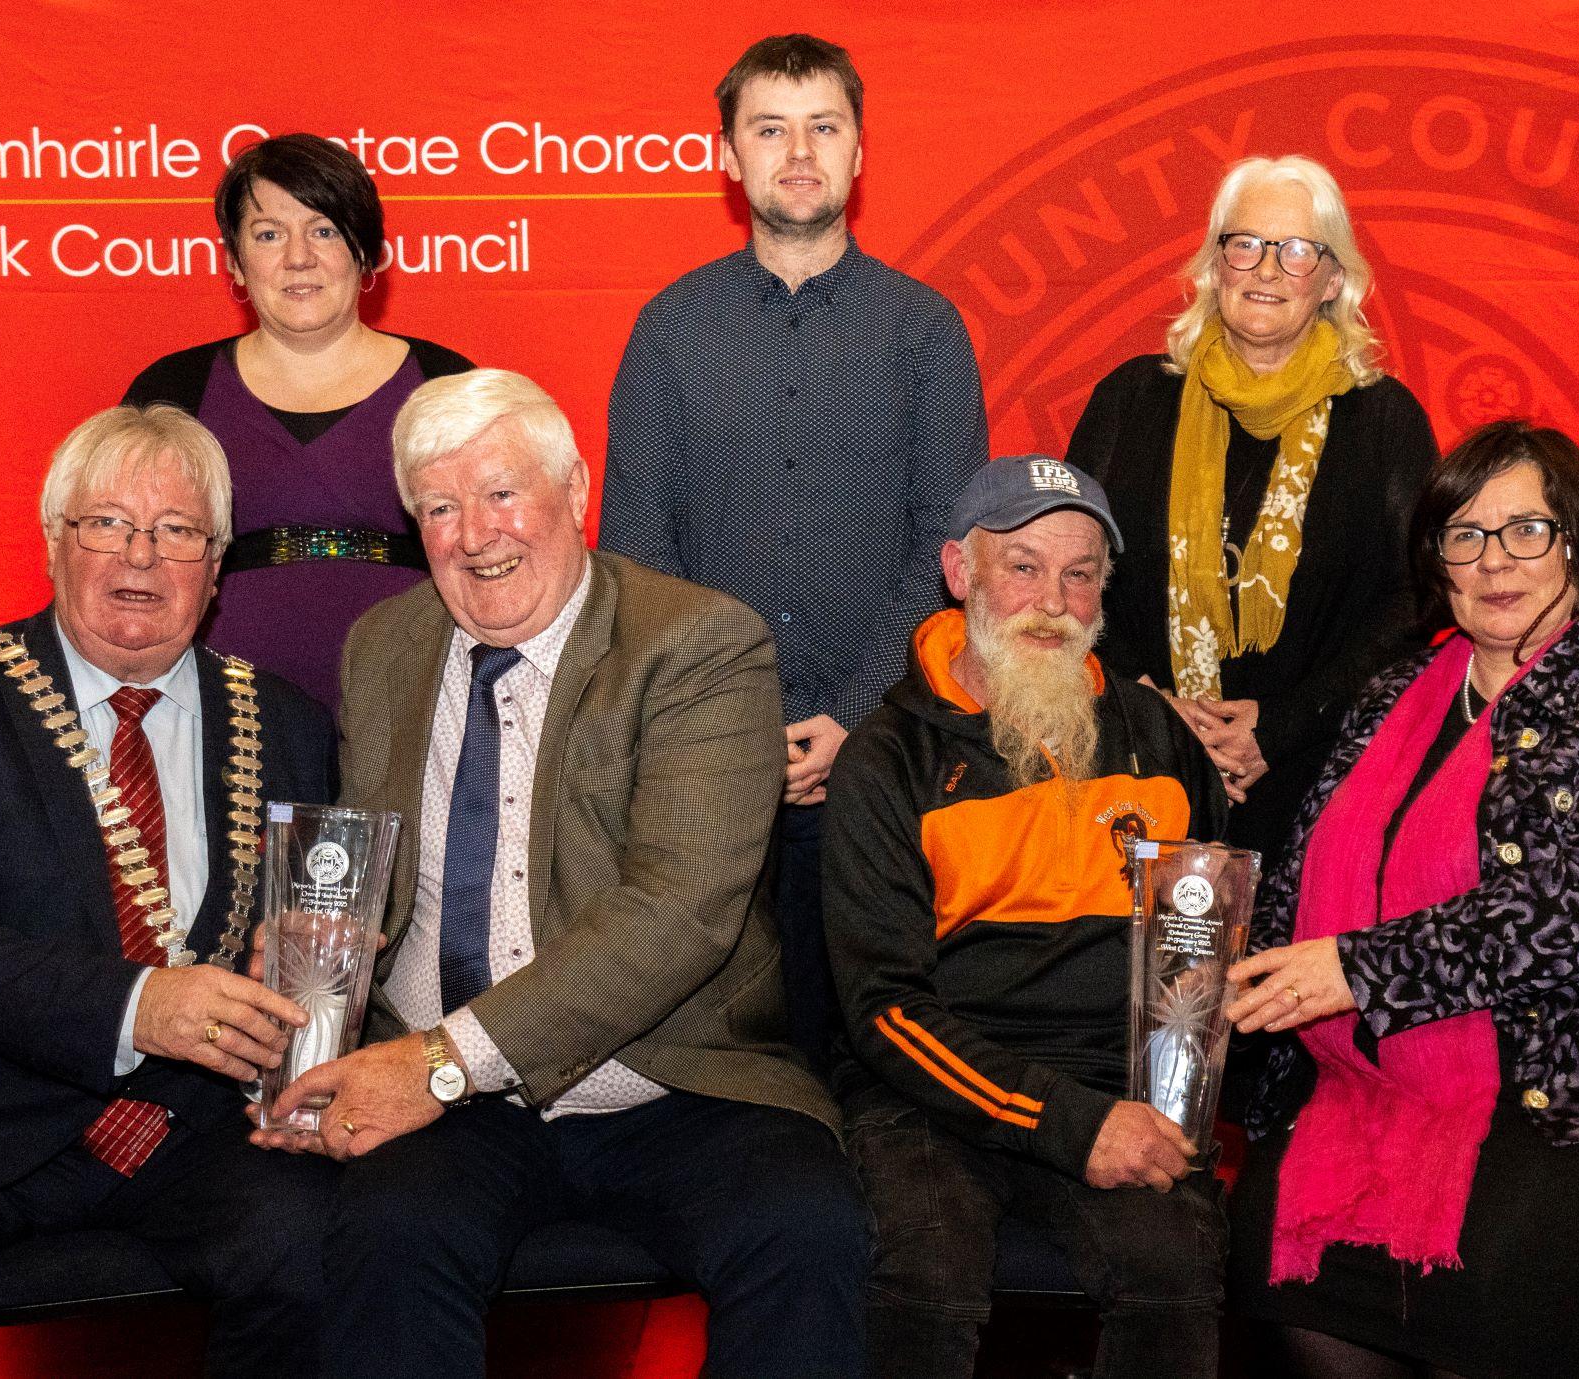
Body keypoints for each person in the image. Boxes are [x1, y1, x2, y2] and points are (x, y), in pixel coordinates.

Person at [251, 369, 870, 1379]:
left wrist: (440, 1062)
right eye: (440, 507)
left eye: (502, 493)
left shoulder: (698, 643)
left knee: (807, 1235)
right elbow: (360, 876)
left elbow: (675, 918)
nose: (476, 533)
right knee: (382, 1240)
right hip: (452, 1104)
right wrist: (306, 1001)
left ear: (574, 489)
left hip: (672, 1077)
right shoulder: (383, 646)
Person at [0, 405, 340, 1379]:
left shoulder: (286, 721)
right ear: (53, 543)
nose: (142, 553)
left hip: (196, 1128)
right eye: (108, 522)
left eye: (177, 531)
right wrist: (137, 1004)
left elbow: (314, 946)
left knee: (339, 1253)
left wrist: (323, 984)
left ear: (214, 572)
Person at [1223, 420, 1579, 1379]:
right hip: (1382, 1086)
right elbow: (1305, 891)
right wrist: (1218, 989)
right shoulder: (1391, 697)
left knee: (1491, 1261)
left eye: (1528, 530)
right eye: (1465, 534)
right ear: (1436, 560)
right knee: (1265, 1242)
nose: (1495, 560)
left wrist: (1360, 970)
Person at [600, 33, 987, 1065]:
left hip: (889, 764)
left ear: (862, 154)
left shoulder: (926, 332)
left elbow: (948, 553)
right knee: (718, 1061)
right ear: (728, 156)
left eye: (825, 127)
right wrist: (736, 726)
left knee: (876, 1058)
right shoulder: (671, 332)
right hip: (704, 764)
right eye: (771, 128)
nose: (800, 151)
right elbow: (639, 556)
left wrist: (848, 716)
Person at [824, 455, 1230, 1379]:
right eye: (1023, 565)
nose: (1053, 599)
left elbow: (1216, 936)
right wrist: (1071, 1124)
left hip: (1119, 1077)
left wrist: (1186, 1072)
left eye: (1080, 572)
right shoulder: (886, 759)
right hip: (930, 1085)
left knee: (1175, 1262)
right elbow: (884, 1011)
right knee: (928, 1266)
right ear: (960, 573)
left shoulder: (1158, 735)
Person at [1064, 154, 1437, 874]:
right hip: (1140, 772)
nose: (1267, 269)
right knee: (1147, 989)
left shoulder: (1384, 420)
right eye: (1247, 244)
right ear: (1215, 265)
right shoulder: (1131, 401)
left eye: (1297, 250)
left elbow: (1418, 597)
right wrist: (1151, 705)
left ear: (1333, 280)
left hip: (1322, 784)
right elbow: (1070, 571)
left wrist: (1283, 723)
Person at [125, 132, 473, 708]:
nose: (298, 258)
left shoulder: (445, 382)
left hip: (422, 696)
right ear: (235, 261)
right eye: (268, 235)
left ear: (365, 254)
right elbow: (122, 557)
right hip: (221, 706)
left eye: (324, 230)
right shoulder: (172, 391)